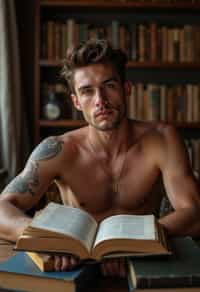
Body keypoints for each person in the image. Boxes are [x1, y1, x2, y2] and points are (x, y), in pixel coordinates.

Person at [0, 39, 200, 278]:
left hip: (142, 264)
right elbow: (3, 207)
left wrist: (136, 243)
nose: (100, 100)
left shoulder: (163, 140)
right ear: (76, 101)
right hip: (75, 269)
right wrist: (44, 239)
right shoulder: (58, 149)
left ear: (126, 89)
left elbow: (194, 212)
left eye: (109, 86)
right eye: (87, 91)